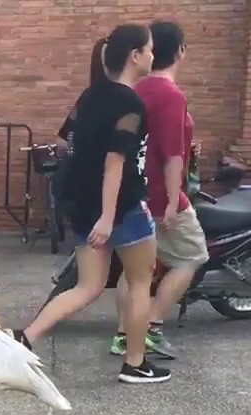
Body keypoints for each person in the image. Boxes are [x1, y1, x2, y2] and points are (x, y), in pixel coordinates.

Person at [14, 24, 172, 384]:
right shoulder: (130, 103)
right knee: (140, 283)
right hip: (123, 208)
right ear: (134, 56)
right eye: (148, 50)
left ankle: (24, 338)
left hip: (85, 206)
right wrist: (108, 216)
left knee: (87, 286)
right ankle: (135, 364)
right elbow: (115, 161)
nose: (152, 56)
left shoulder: (89, 96)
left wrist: (99, 215)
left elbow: (69, 143)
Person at [105, 20, 206, 359]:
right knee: (193, 256)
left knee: (135, 270)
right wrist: (175, 201)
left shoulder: (137, 90)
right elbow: (172, 155)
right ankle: (150, 325)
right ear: (180, 51)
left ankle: (124, 334)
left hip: (133, 192)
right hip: (162, 195)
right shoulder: (170, 94)